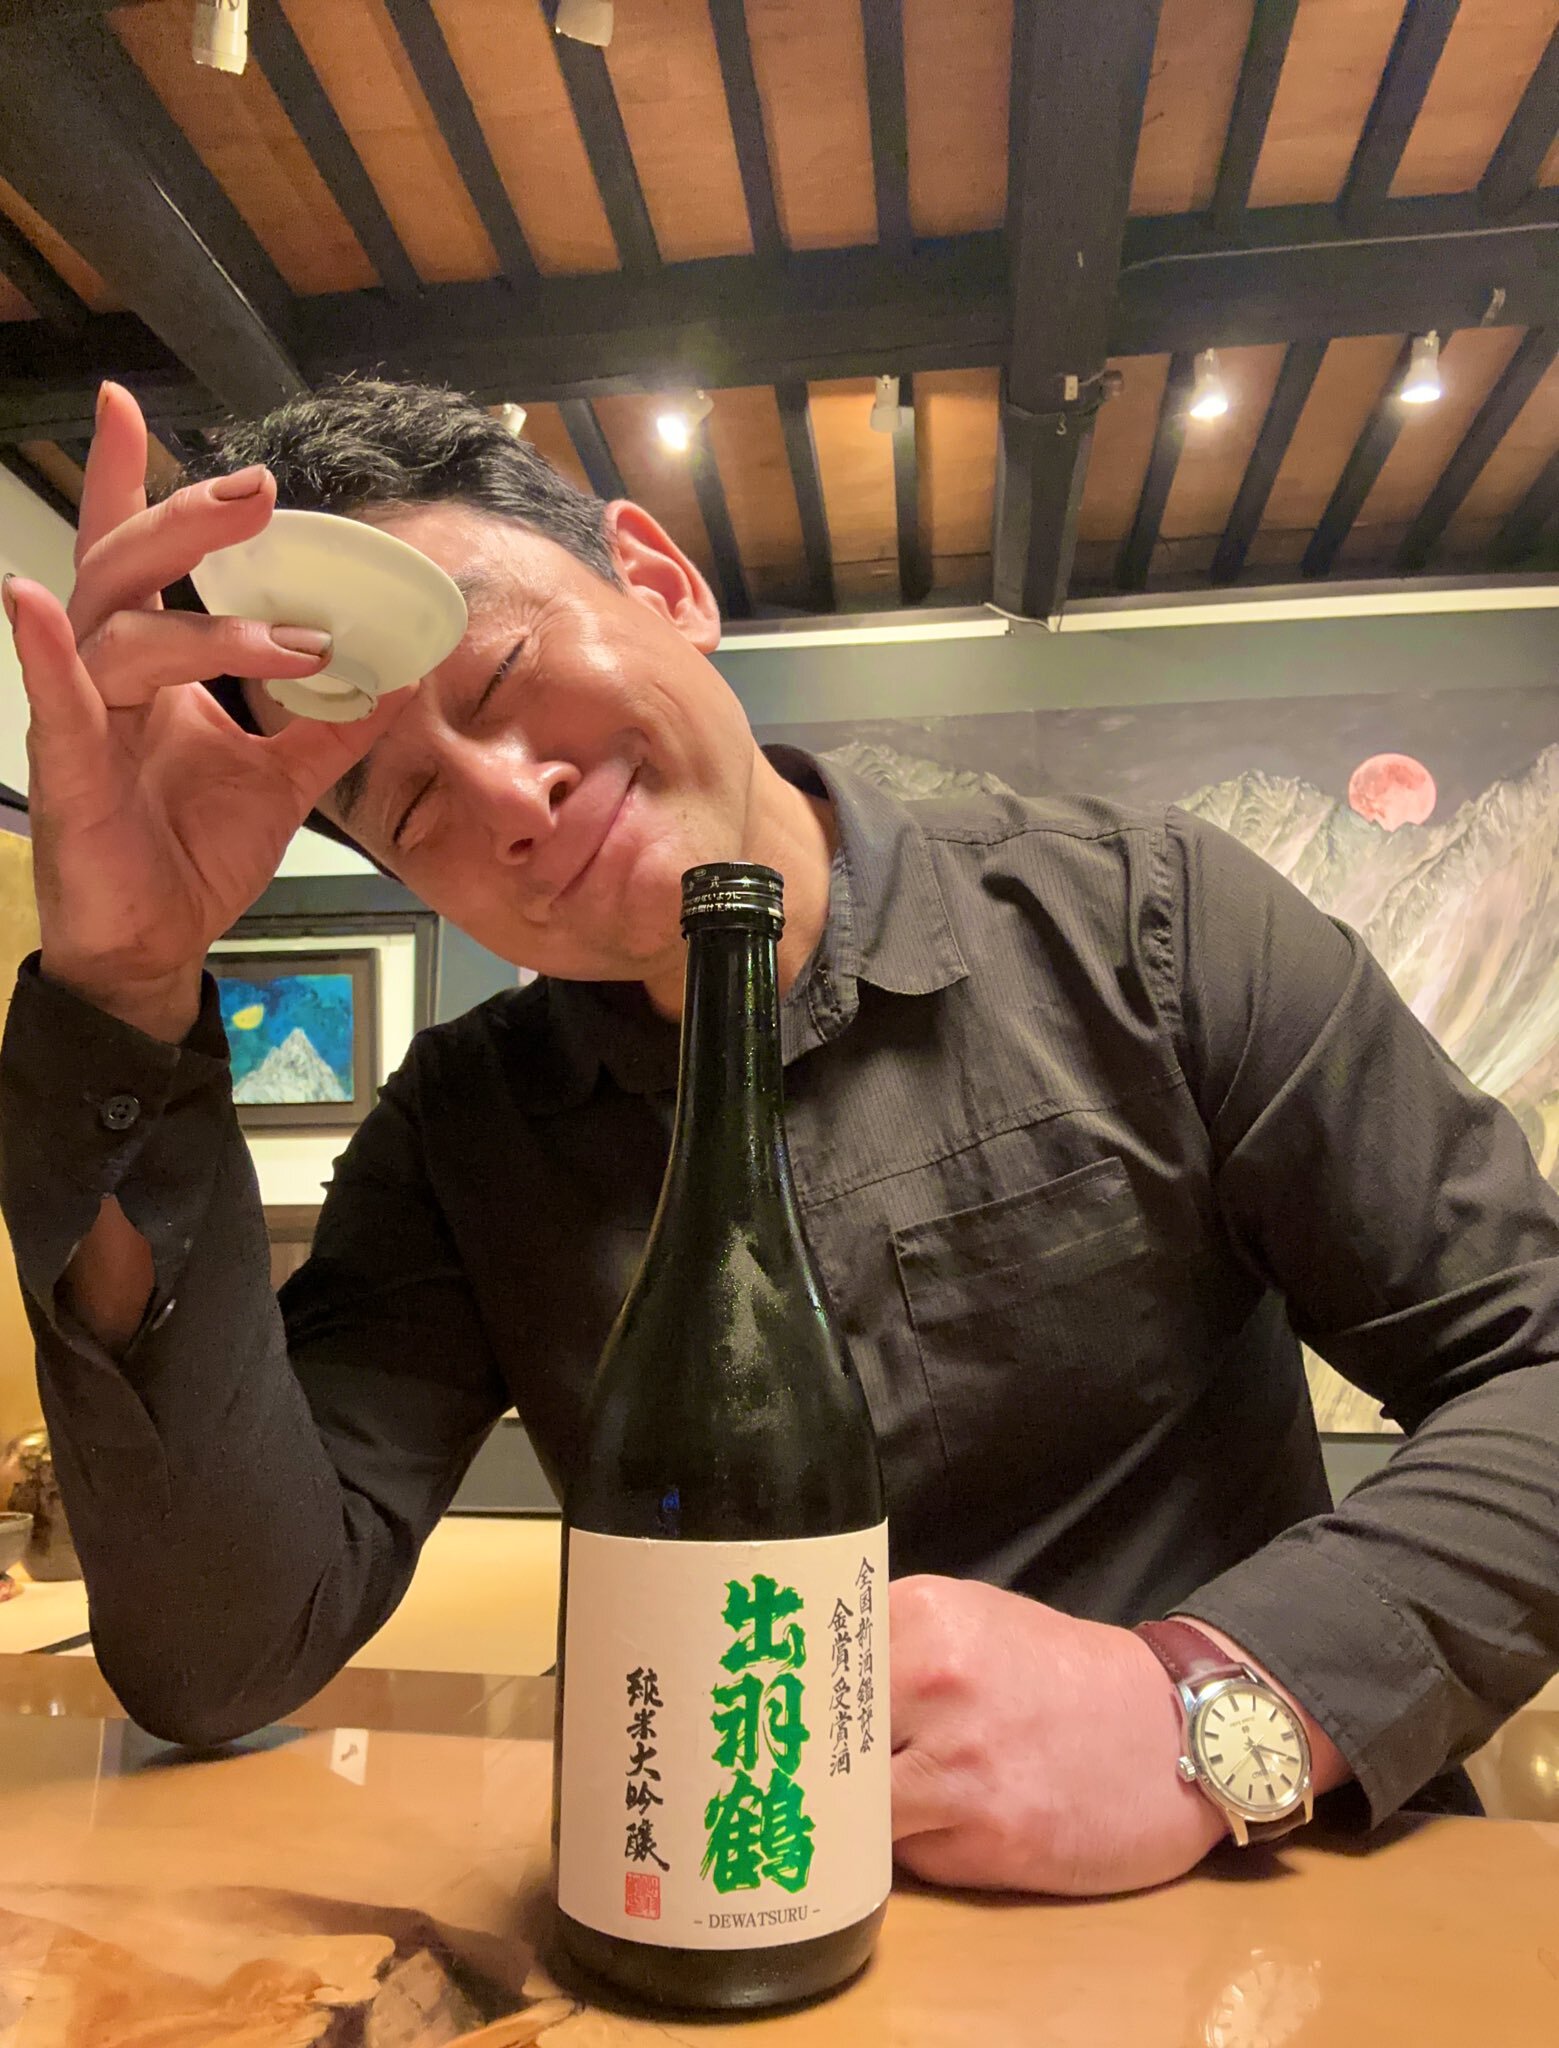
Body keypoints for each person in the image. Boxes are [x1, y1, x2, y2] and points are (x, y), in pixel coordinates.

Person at [2, 378, 1556, 1900]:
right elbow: (224, 1653)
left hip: (1239, 1901)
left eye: (503, 676)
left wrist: (1201, 1705)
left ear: (663, 583)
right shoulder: (465, 1133)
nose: (510, 799)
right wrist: (125, 992)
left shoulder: (1152, 928)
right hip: (708, 1917)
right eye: (407, 811)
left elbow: (1533, 1368)